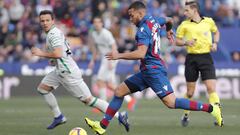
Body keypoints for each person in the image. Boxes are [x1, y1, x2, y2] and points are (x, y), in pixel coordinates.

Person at [84, 1, 223, 134]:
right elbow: (169, 19)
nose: (130, 19)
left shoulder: (143, 30)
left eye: (132, 15)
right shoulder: (154, 20)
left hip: (153, 70)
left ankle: (211, 109)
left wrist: (119, 55)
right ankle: (102, 126)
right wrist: (169, 31)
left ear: (140, 13)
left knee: (172, 103)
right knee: (119, 92)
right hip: (147, 71)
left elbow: (141, 53)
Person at [31, 10, 129, 130]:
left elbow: (58, 53)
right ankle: (58, 117)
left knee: (89, 100)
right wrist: (53, 60)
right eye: (42, 21)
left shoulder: (53, 34)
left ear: (53, 21)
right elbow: (64, 51)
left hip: (68, 73)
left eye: (47, 20)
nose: (45, 23)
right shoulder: (53, 32)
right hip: (60, 70)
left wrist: (40, 53)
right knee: (42, 88)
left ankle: (120, 116)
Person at [175, 0, 223, 127]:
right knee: (190, 92)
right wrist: (186, 42)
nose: (184, 13)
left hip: (206, 58)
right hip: (191, 59)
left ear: (194, 10)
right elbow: (177, 41)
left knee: (211, 88)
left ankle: (218, 117)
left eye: (187, 10)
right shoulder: (184, 25)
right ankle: (186, 115)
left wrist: (215, 43)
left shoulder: (209, 21)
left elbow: (216, 32)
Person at [88, 16, 136, 111]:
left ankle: (102, 105)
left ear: (102, 24)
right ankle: (130, 100)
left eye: (98, 22)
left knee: (100, 81)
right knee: (109, 84)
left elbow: (114, 46)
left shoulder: (106, 33)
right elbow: (95, 49)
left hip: (110, 58)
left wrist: (111, 60)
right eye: (95, 22)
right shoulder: (94, 34)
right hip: (104, 58)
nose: (96, 24)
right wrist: (92, 61)